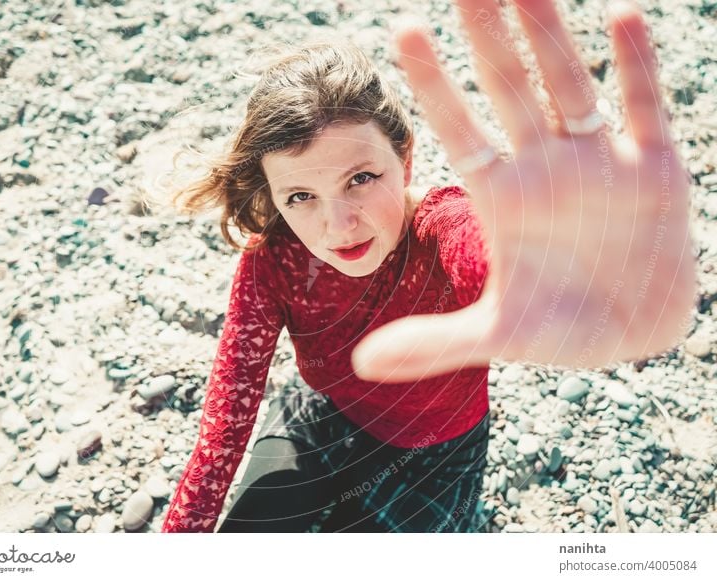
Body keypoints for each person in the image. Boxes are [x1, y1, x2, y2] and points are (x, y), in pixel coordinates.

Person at [159, 0, 696, 533]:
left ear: (405, 158)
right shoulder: (273, 259)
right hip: (320, 418)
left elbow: (488, 254)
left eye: (360, 179)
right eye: (300, 195)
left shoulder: (443, 230)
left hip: (431, 459)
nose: (338, 225)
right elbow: (221, 436)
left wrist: (588, 276)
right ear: (273, 195)